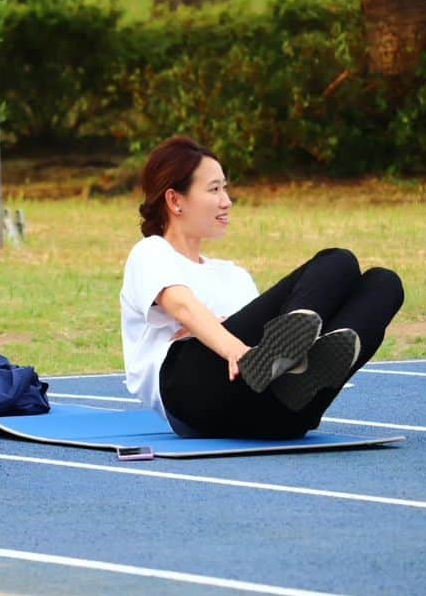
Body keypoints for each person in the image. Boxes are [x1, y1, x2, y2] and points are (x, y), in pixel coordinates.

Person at [121, 136, 404, 439]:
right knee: (339, 262)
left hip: (277, 415)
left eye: (225, 189)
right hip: (191, 397)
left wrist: (227, 335)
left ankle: (299, 382)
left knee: (384, 284)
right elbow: (183, 306)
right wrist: (233, 347)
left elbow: (262, 339)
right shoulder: (150, 253)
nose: (226, 201)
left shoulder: (235, 275)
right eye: (214, 189)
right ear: (175, 200)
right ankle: (278, 370)